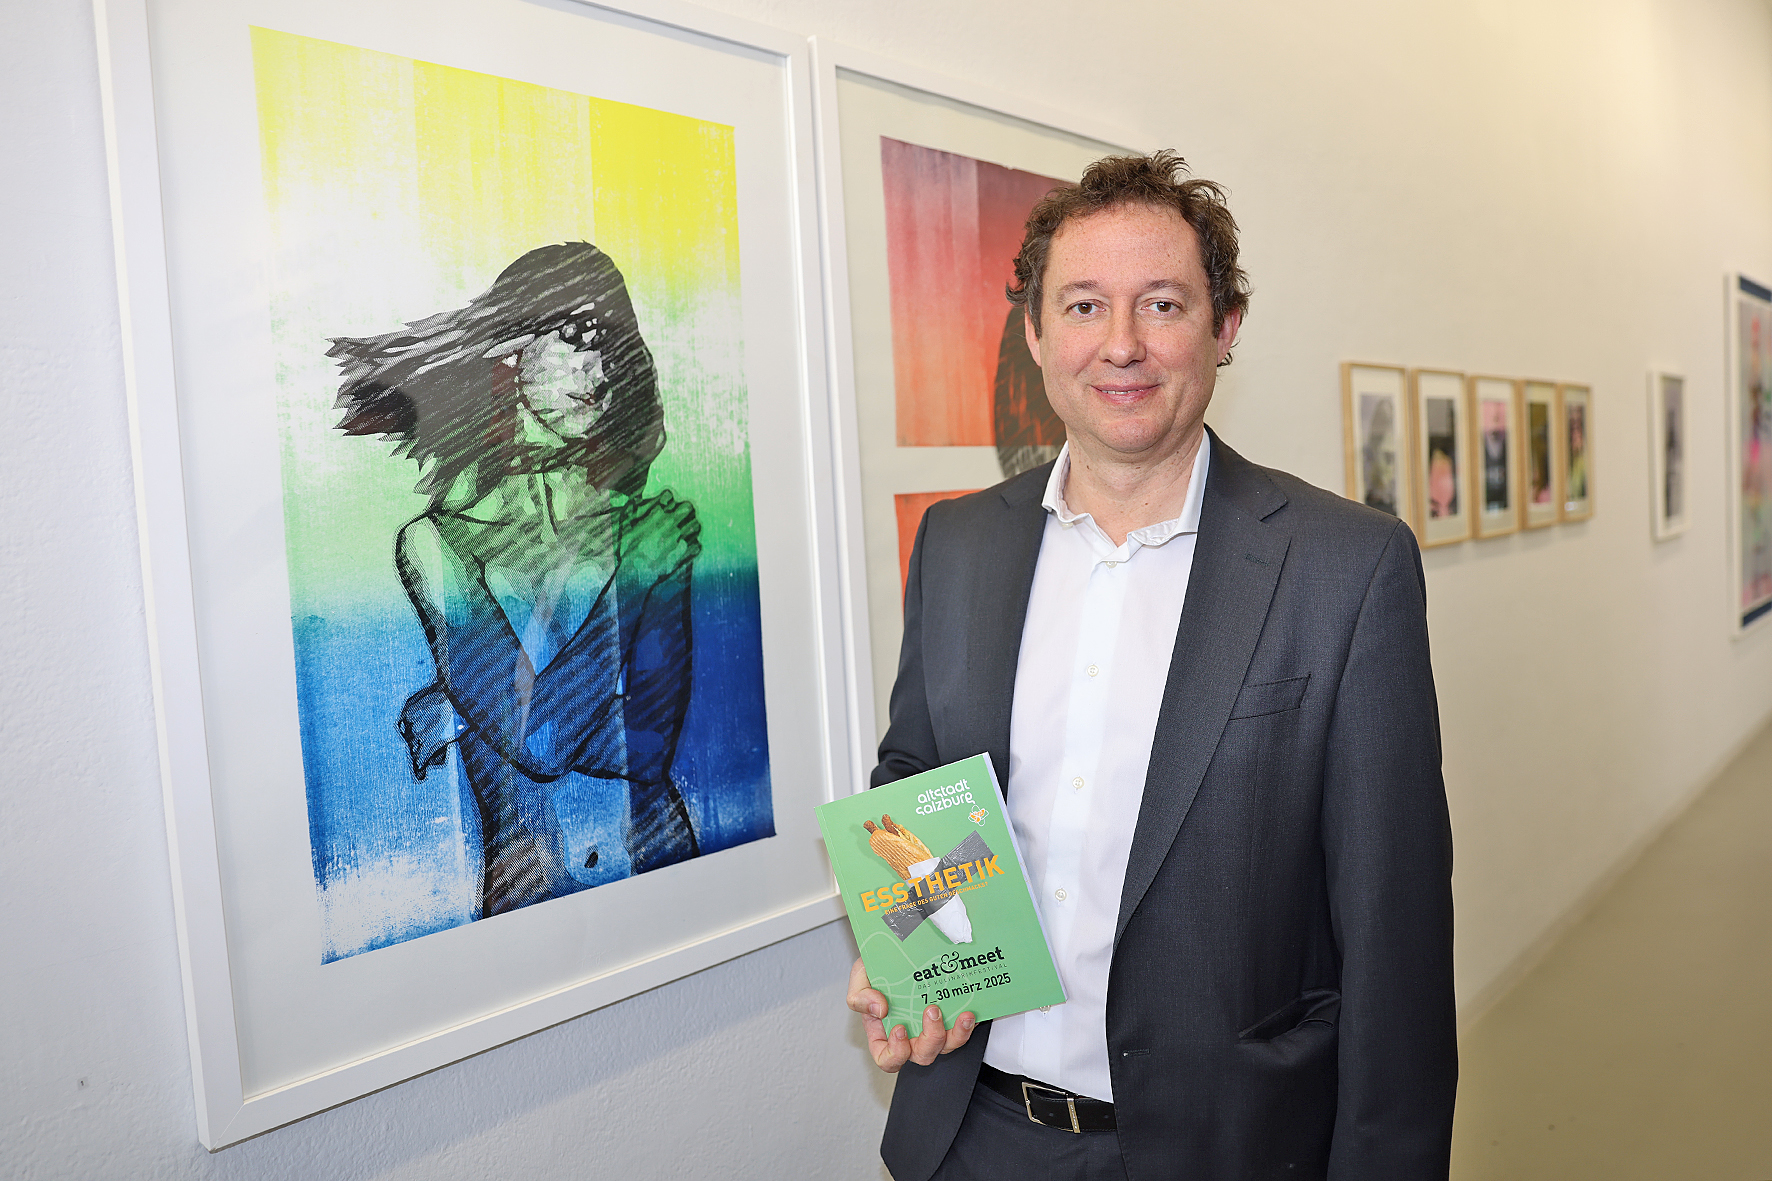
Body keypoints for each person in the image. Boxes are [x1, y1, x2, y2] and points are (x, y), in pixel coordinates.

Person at [847, 152, 1456, 1180]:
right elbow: (918, 776)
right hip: (972, 1134)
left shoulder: (1344, 568)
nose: (1121, 343)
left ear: (1224, 328)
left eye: (1162, 304)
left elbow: (1394, 930)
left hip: (1228, 1147)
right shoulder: (958, 544)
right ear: (1035, 333)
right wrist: (919, 958)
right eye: (1083, 305)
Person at [330, 242, 701, 920]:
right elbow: (543, 745)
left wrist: (467, 706)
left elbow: (650, 747)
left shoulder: (643, 529)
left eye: (611, 348)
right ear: (512, 349)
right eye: (577, 339)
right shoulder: (437, 545)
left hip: (665, 875)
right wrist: (633, 580)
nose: (598, 371)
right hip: (534, 907)